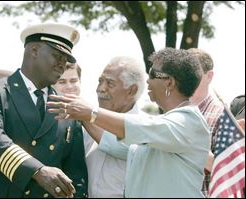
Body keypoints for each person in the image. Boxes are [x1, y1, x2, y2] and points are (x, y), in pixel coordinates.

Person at [47, 47, 211, 197]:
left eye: (153, 74)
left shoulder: (187, 122)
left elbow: (138, 128)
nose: (147, 81)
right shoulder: (164, 129)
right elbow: (118, 146)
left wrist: (90, 112)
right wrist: (83, 117)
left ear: (169, 82)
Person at [0, 23, 88, 198]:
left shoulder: (66, 106)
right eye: (57, 56)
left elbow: (75, 172)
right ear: (34, 50)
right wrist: (37, 171)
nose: (62, 64)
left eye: (65, 59)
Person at [54, 57, 146, 197]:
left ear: (132, 91)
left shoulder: (147, 128)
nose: (100, 89)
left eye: (110, 83)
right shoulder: (83, 127)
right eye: (100, 81)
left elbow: (117, 147)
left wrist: (84, 116)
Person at [188, 48, 224, 196]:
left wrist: (191, 146)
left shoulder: (220, 115)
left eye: (193, 74)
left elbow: (227, 170)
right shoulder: (172, 113)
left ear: (209, 76)